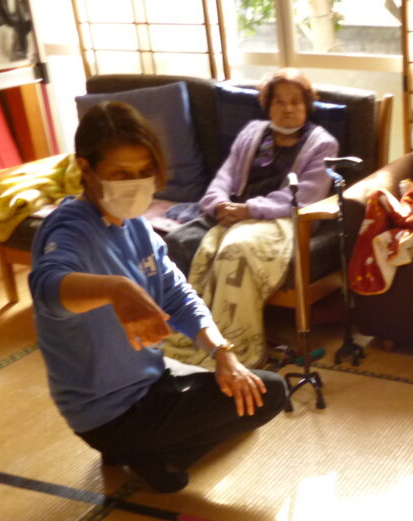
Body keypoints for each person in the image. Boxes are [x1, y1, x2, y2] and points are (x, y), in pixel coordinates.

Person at [29, 102, 288, 494]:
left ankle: (136, 447)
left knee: (249, 389)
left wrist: (222, 353)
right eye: (121, 174)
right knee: (271, 395)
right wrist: (115, 289)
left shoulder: (135, 226)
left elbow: (178, 295)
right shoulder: (68, 231)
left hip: (152, 379)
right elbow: (47, 288)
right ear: (86, 168)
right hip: (108, 411)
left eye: (144, 171)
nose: (135, 184)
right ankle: (146, 452)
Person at [161, 68, 339, 367]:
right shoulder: (252, 132)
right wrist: (219, 203)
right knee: (178, 241)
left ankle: (234, 345)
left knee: (236, 250)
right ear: (267, 105)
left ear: (307, 105)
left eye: (296, 101)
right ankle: (190, 332)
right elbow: (225, 176)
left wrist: (250, 210)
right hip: (234, 212)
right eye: (279, 101)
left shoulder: (322, 144)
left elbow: (305, 196)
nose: (288, 109)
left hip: (281, 220)